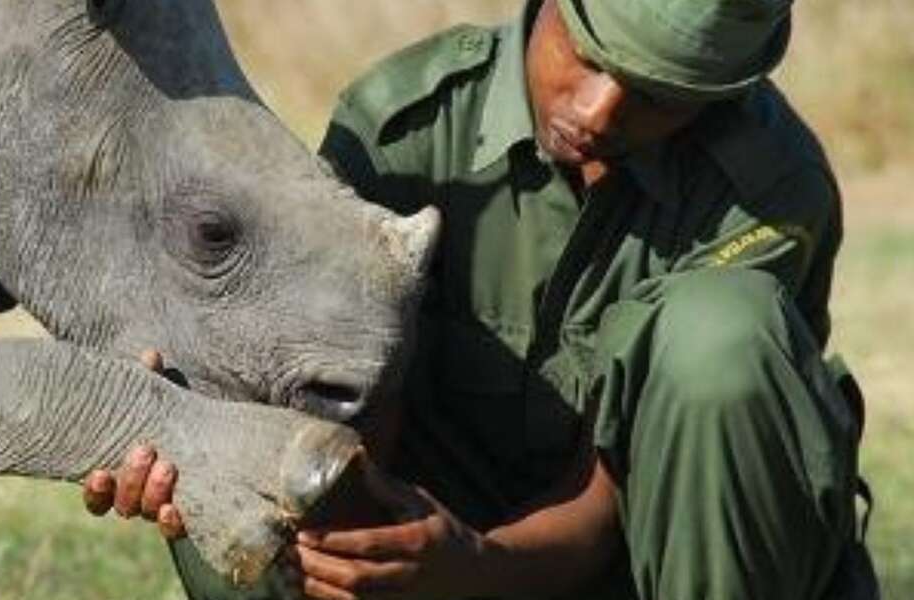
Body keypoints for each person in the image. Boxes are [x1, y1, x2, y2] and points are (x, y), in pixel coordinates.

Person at [82, 0, 878, 598]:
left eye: (659, 94)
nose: (598, 112)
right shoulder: (402, 127)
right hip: (428, 562)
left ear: (726, 92)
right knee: (231, 424)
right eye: (589, 56)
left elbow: (632, 490)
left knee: (723, 342)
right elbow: (338, 412)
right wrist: (341, 519)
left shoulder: (770, 188)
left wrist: (478, 565)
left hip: (638, 569)